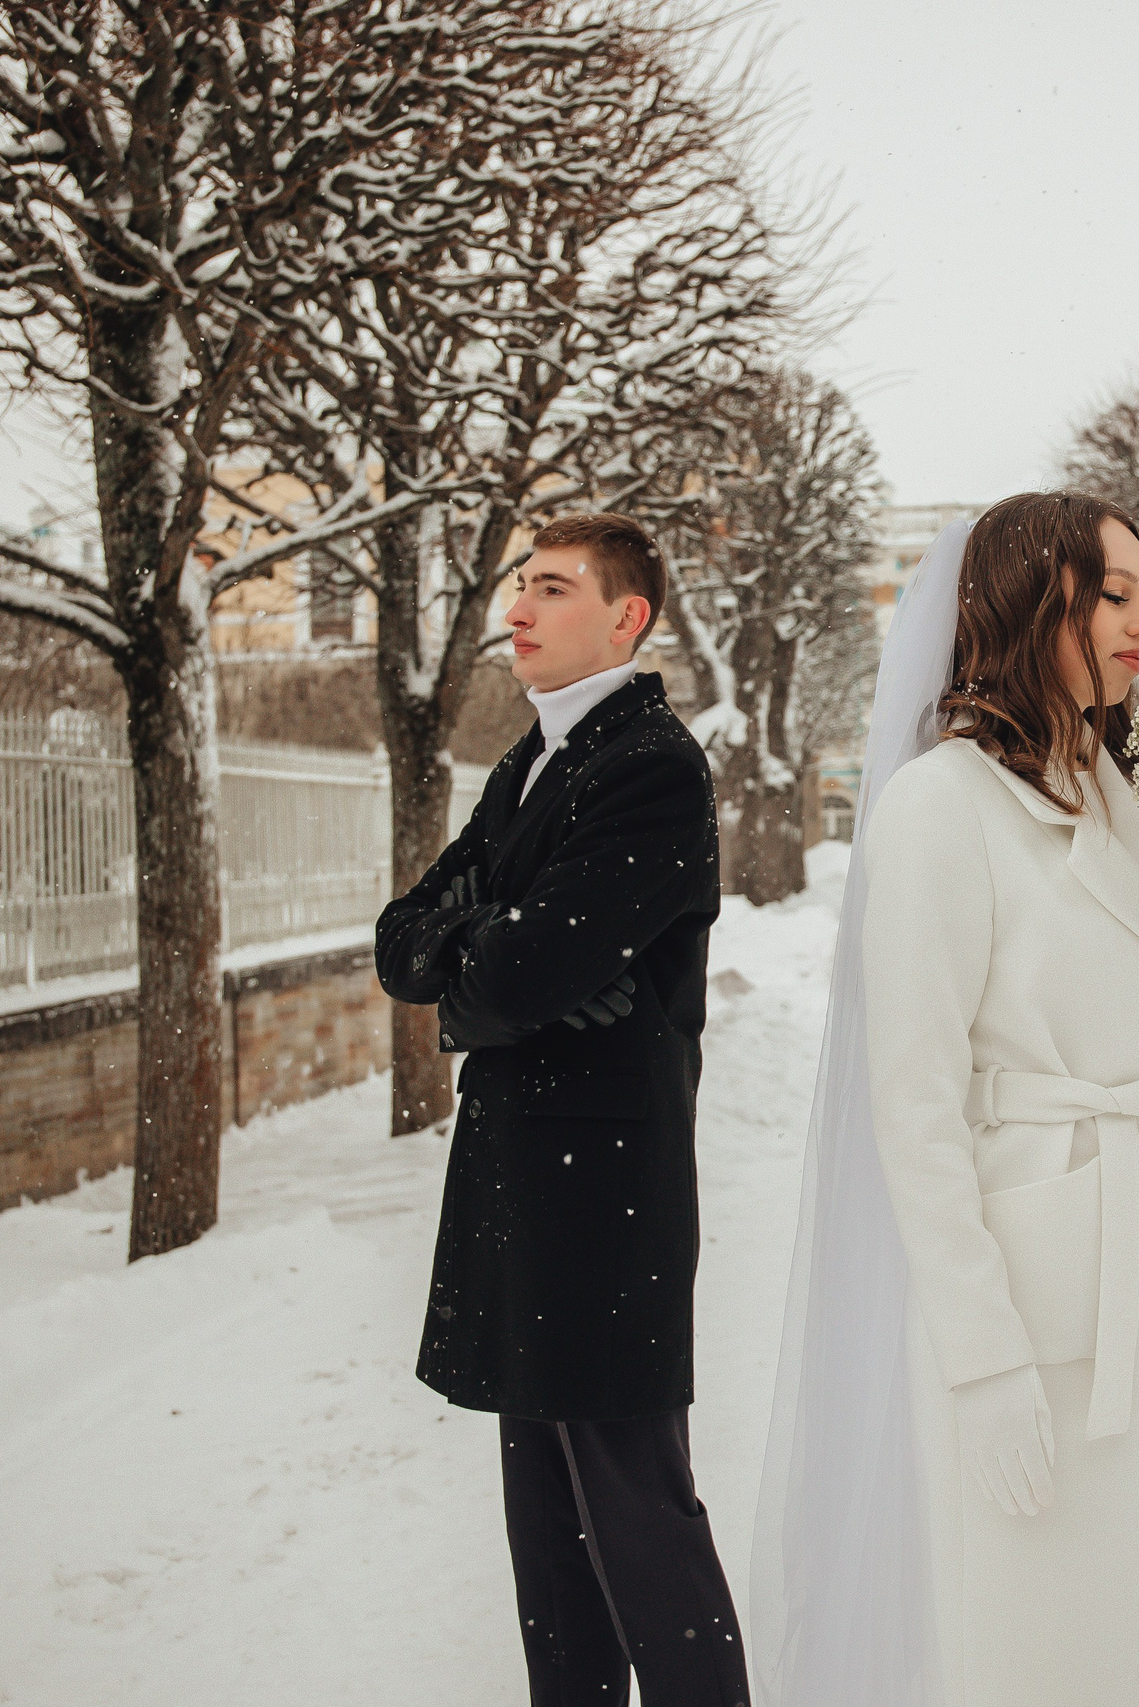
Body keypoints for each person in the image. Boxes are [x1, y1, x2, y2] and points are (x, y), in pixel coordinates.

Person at [749, 492, 1139, 1706]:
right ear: (1026, 603)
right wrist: (983, 1361)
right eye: (1116, 595)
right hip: (1029, 1299)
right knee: (1037, 1643)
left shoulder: (1114, 795)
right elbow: (913, 1107)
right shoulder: (940, 806)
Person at [375, 511, 748, 1707]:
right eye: (519, 586)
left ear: (626, 618)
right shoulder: (529, 761)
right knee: (549, 1543)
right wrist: (492, 949)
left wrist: (494, 955)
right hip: (523, 1191)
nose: (517, 611)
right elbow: (401, 940)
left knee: (641, 1526)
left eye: (549, 587)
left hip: (607, 1200)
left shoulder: (651, 767)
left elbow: (523, 972)